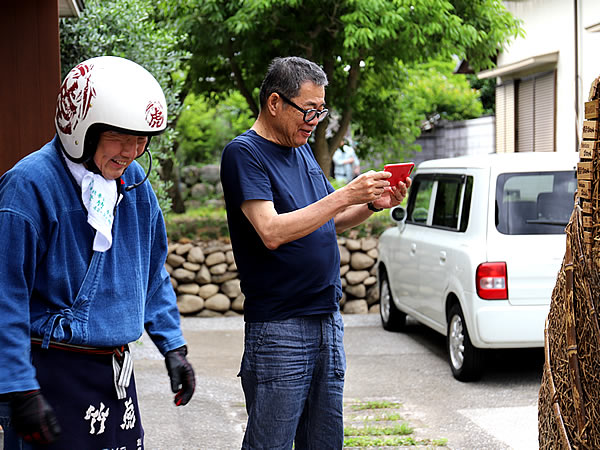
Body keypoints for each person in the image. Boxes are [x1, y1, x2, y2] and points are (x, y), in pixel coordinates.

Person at [0, 56, 195, 449]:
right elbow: (5, 294)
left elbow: (151, 270)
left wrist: (173, 346)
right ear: (81, 129)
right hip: (48, 373)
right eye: (121, 137)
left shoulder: (133, 181)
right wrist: (18, 387)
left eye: (142, 139)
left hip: (113, 372)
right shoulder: (29, 186)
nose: (133, 151)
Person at [220, 56, 410, 449]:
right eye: (309, 110)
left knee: (324, 442)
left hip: (327, 318)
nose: (314, 121)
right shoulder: (244, 154)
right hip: (279, 327)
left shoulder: (302, 149)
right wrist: (346, 193)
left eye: (320, 112)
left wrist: (374, 203)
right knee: (270, 442)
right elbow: (271, 231)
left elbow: (327, 219)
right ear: (275, 103)